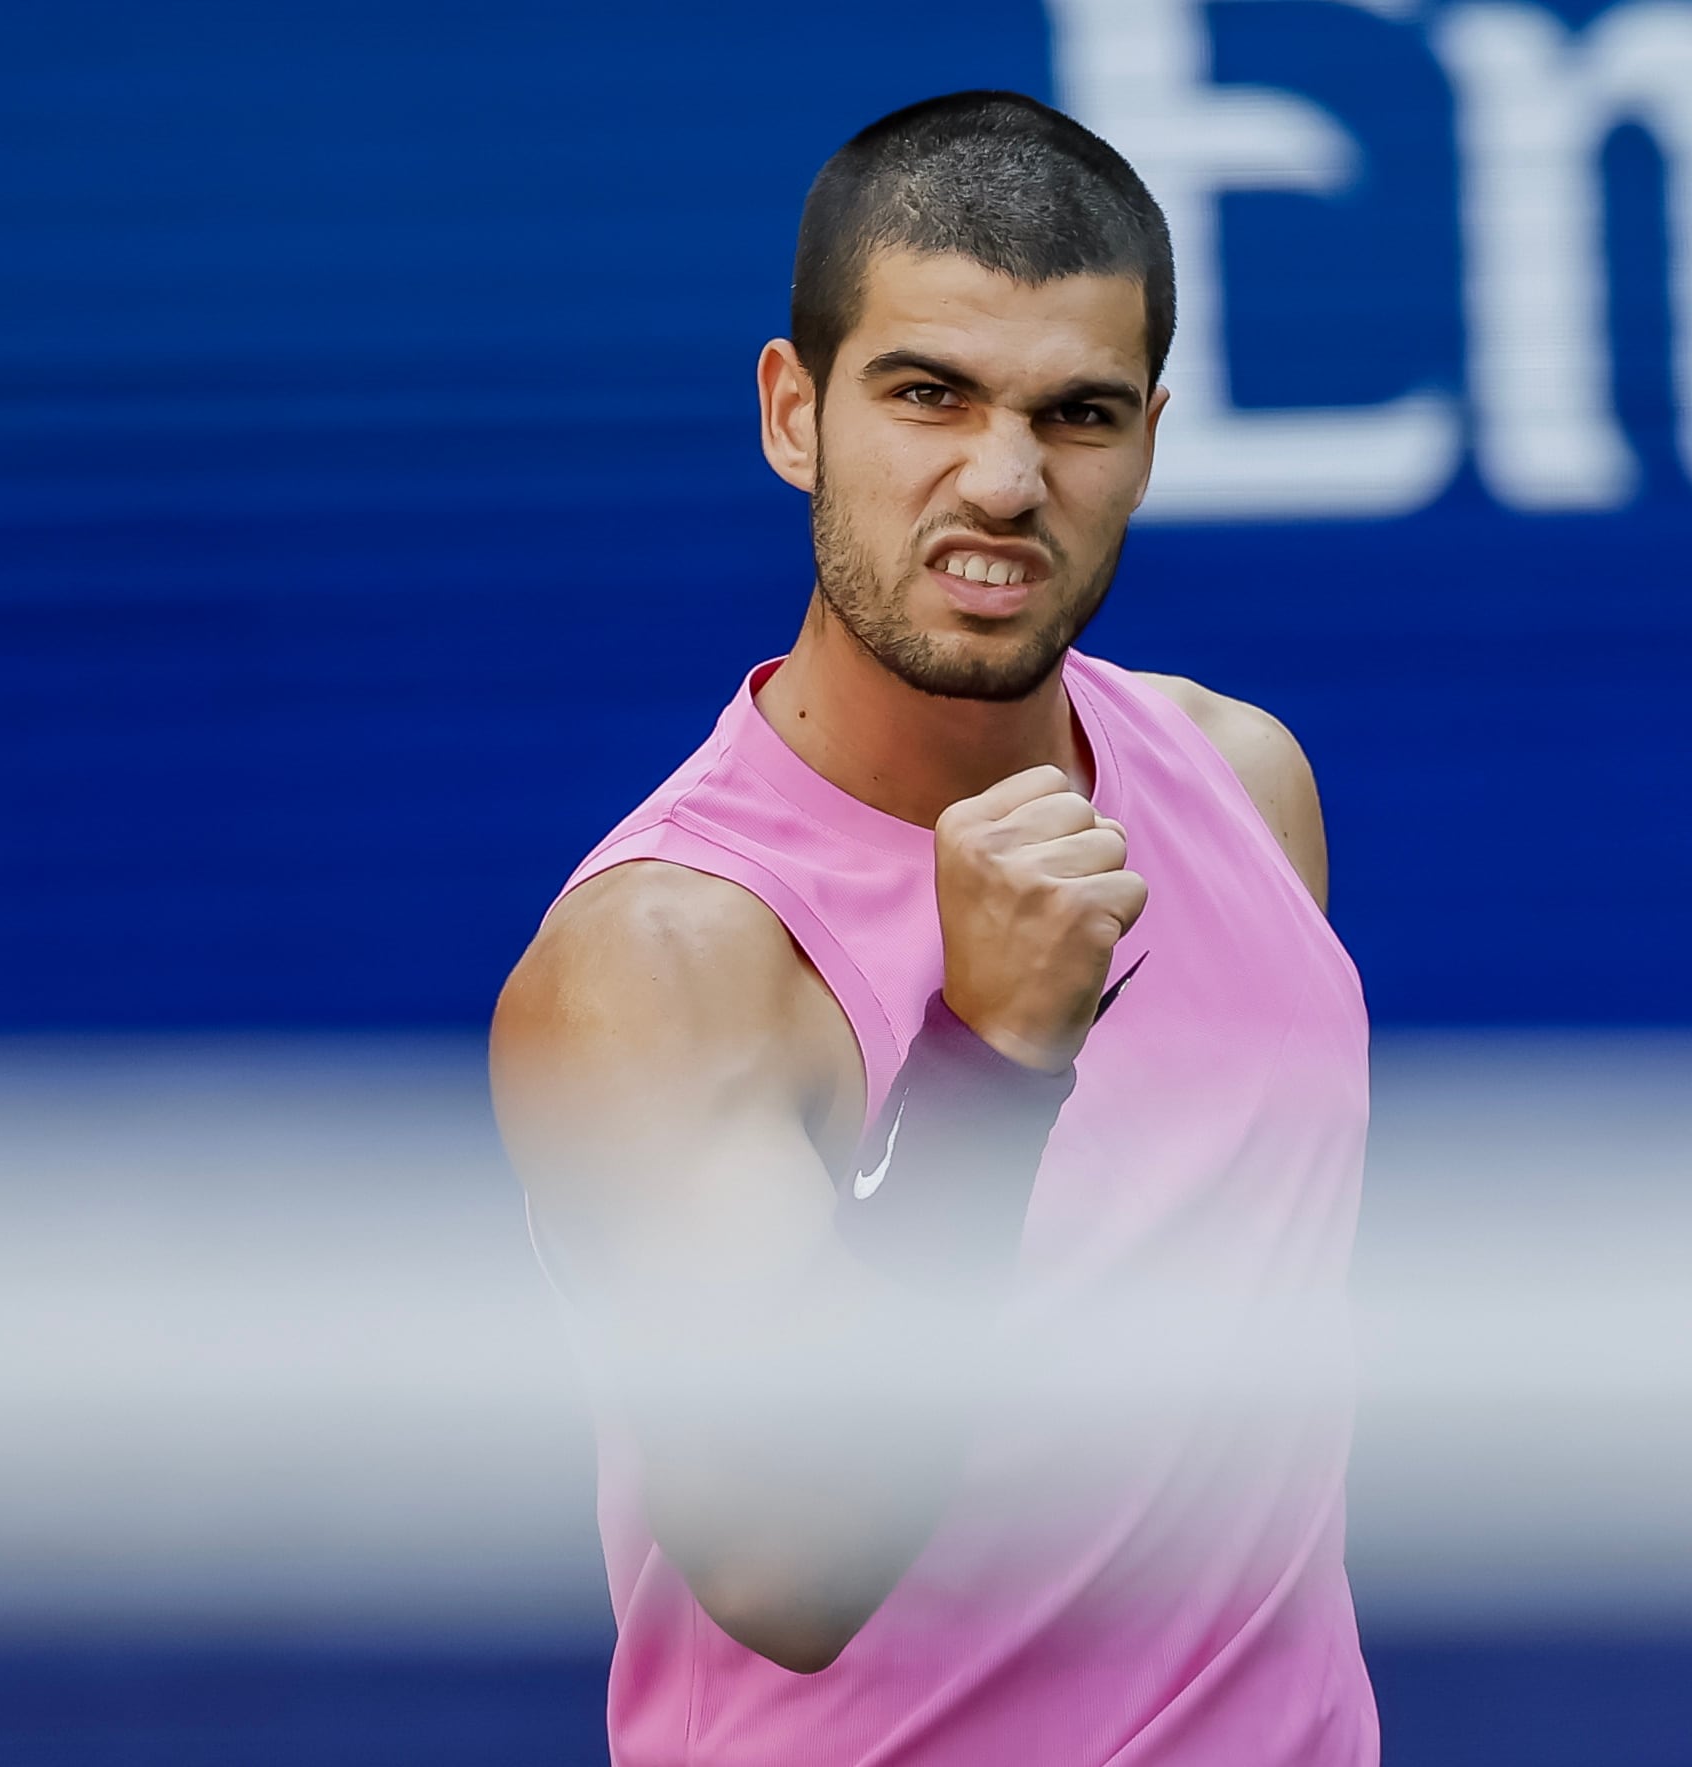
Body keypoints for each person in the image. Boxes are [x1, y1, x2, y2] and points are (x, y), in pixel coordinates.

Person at [489, 90, 1374, 1765]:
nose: (1004, 478)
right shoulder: (663, 959)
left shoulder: (1244, 785)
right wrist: (988, 1058)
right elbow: (780, 1556)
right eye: (928, 395)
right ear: (792, 410)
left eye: (1079, 414)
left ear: (1150, 439)